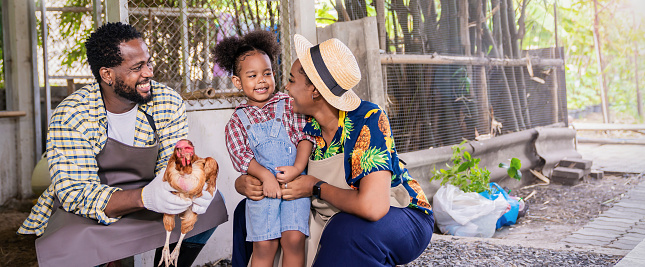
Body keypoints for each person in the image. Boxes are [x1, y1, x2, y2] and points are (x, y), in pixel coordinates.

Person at [17, 22, 228, 267]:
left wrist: (190, 188)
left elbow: (170, 168)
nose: (149, 72)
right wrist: (143, 198)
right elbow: (75, 193)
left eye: (148, 62)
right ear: (107, 74)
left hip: (151, 195)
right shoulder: (72, 114)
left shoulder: (167, 102)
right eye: (137, 67)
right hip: (91, 209)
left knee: (210, 205)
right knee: (68, 241)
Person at [233, 34, 435, 266]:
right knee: (247, 212)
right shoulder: (297, 120)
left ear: (315, 91)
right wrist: (245, 183)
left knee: (346, 232)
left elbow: (373, 207)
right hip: (329, 209)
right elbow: (272, 164)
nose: (285, 87)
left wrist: (315, 186)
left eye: (291, 80)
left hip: (397, 211)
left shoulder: (367, 119)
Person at [213, 30, 313, 267]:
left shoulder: (288, 104)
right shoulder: (238, 120)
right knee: (264, 245)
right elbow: (242, 157)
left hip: (293, 186)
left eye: (267, 73)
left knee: (294, 239)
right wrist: (265, 176)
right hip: (261, 189)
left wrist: (298, 168)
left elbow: (305, 137)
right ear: (238, 82)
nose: (262, 80)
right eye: (252, 75)